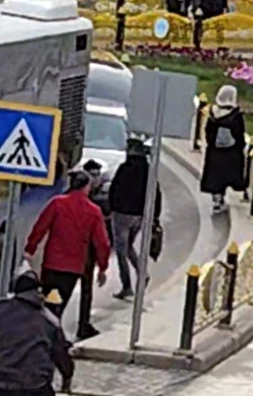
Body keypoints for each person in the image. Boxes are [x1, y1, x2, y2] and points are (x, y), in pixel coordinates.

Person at [24, 169, 110, 320]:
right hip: (73, 267)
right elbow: (102, 242)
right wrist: (102, 267)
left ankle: (40, 330)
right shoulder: (94, 211)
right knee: (59, 305)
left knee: (45, 303)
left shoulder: (57, 203)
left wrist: (30, 249)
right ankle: (51, 333)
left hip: (51, 264)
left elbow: (40, 227)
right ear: (86, 187)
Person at [109, 138, 162, 300]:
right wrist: (154, 216)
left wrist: (112, 206)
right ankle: (142, 273)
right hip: (139, 215)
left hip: (122, 214)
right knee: (129, 246)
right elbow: (156, 193)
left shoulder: (125, 168)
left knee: (121, 250)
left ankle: (126, 286)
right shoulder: (149, 170)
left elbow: (114, 188)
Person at [77, 159, 111, 340]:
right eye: (92, 175)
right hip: (83, 254)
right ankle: (82, 325)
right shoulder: (91, 205)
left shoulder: (103, 193)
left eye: (97, 174)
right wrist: (103, 265)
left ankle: (83, 324)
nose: (95, 179)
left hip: (85, 254)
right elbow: (102, 239)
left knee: (85, 292)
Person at [200, 85, 246, 215]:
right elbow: (239, 133)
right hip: (230, 153)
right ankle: (221, 199)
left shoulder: (212, 112)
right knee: (226, 176)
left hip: (214, 151)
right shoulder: (235, 116)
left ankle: (216, 200)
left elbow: (207, 131)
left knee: (215, 176)